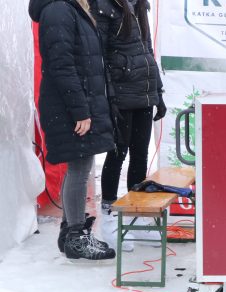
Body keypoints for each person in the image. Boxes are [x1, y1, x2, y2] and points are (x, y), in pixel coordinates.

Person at [29, 0, 116, 260]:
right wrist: (80, 110)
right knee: (80, 167)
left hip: (72, 103)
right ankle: (76, 237)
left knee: (79, 165)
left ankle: (70, 233)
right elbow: (61, 63)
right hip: (67, 106)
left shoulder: (71, 9)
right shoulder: (59, 10)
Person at [91, 0, 167, 251]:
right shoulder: (104, 6)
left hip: (143, 94)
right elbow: (99, 56)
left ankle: (138, 213)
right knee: (117, 154)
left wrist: (158, 92)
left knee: (140, 155)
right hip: (120, 96)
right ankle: (110, 215)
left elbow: (147, 52)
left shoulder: (141, 6)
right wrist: (108, 98)